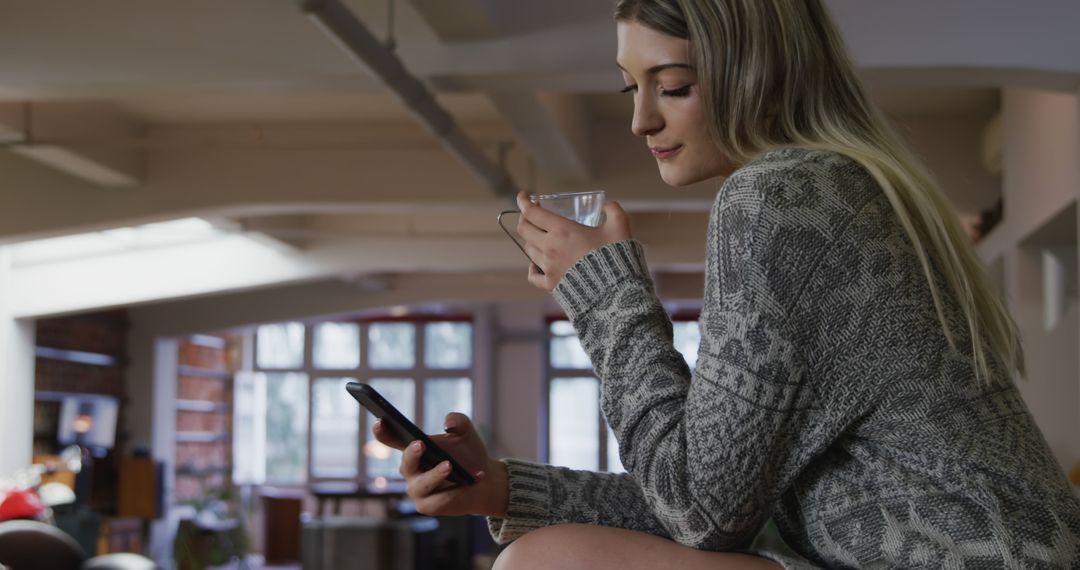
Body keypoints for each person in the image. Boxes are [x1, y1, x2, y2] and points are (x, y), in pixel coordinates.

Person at [374, 0, 1080, 567]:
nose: (640, 119)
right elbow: (727, 498)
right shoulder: (845, 188)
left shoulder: (780, 197)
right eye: (632, 87)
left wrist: (606, 296)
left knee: (547, 563)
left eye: (673, 86)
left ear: (759, 70)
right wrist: (503, 487)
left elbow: (702, 515)